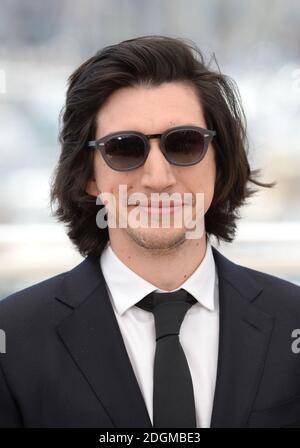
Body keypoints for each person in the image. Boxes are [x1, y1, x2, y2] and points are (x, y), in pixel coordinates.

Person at [0, 35, 300, 429]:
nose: (159, 177)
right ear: (89, 175)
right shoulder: (12, 340)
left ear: (219, 160)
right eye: (125, 148)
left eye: (185, 143)